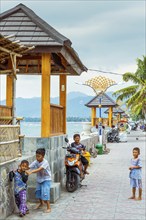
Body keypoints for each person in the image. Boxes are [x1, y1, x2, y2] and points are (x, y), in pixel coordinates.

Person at [26, 148, 51, 213]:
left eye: (39, 156)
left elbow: (39, 169)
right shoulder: (36, 161)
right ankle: (41, 203)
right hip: (39, 179)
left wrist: (31, 172)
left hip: (46, 179)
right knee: (38, 192)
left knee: (45, 193)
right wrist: (23, 167)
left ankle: (48, 207)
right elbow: (29, 167)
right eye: (36, 156)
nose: (37, 157)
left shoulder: (45, 162)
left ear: (43, 156)